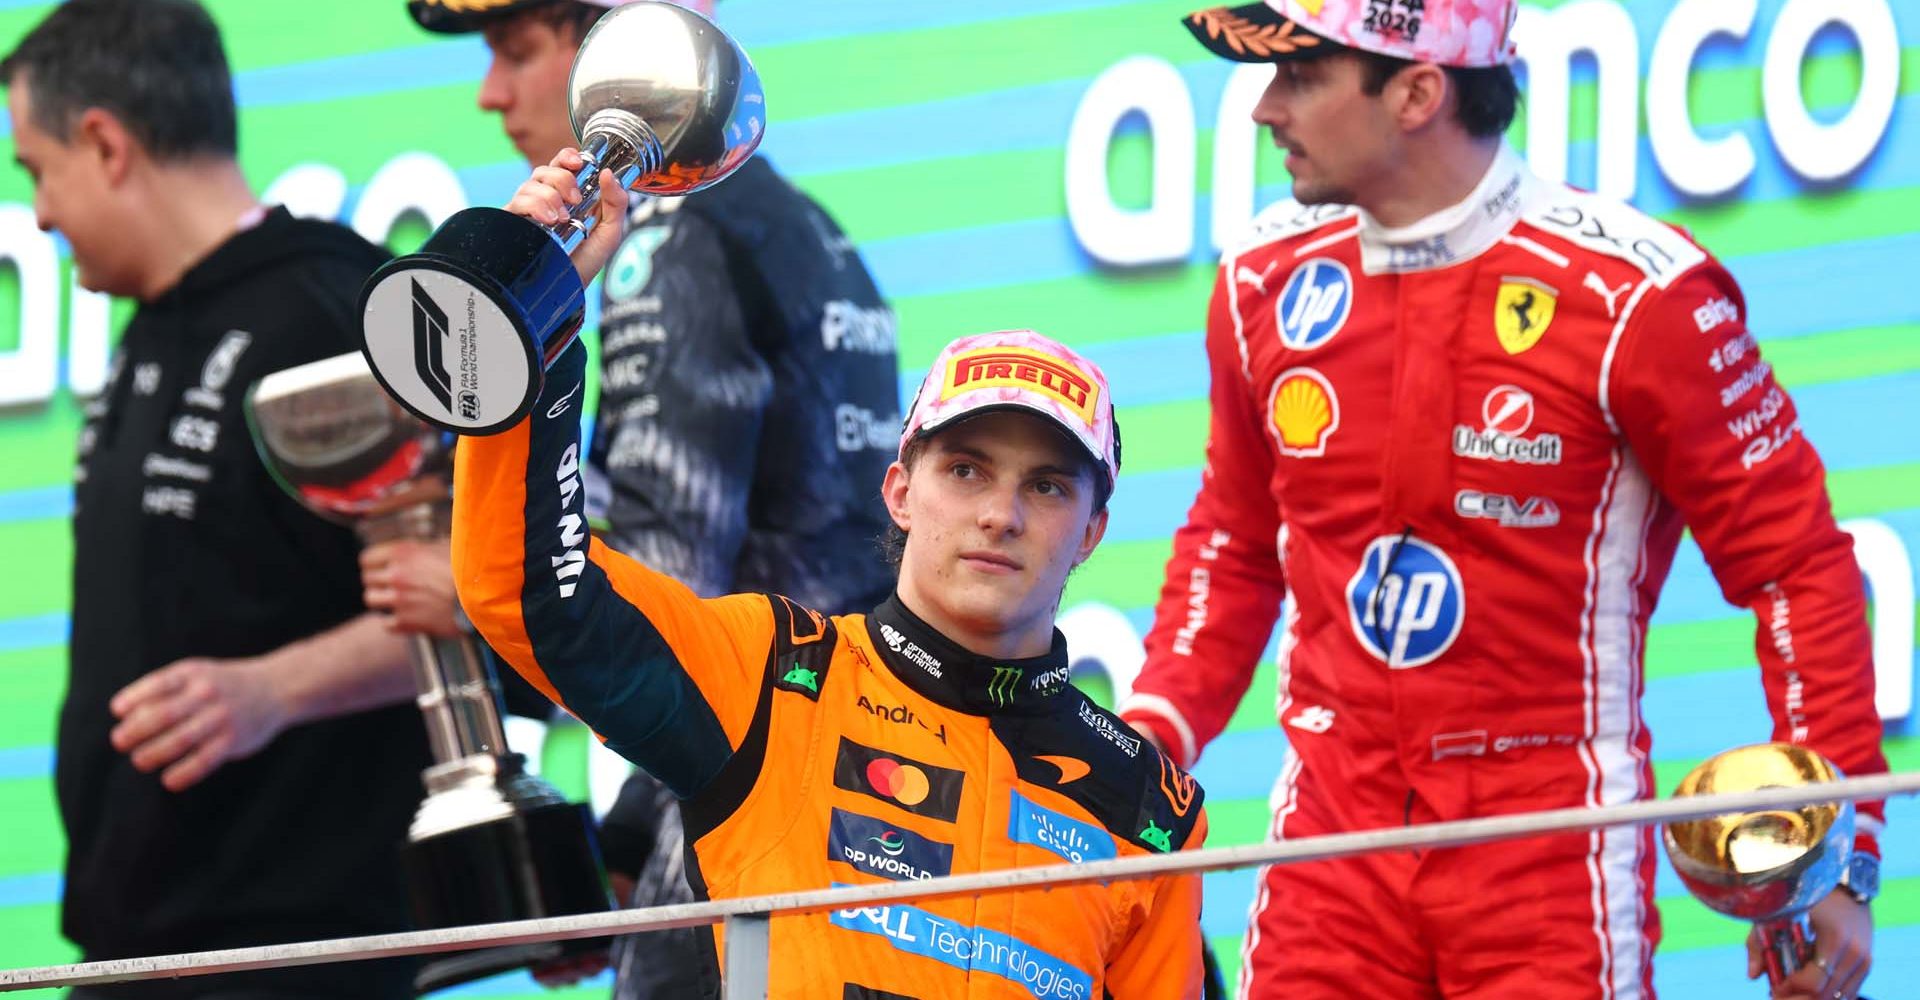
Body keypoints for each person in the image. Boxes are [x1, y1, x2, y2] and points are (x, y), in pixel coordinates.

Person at [1116, 3, 1888, 999]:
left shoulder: (1641, 295)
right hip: (1332, 842)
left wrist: (1840, 847)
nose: (1264, 108)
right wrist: (1148, 742)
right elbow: (1236, 535)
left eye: (1300, 78)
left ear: (1418, 92)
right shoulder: (1262, 282)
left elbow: (1797, 567)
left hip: (1548, 852)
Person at [438, 147, 1209, 998]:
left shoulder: (1149, 806)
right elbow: (531, 591)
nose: (1001, 513)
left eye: (1048, 485)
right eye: (966, 470)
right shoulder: (773, 677)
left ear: (1093, 531)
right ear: (900, 491)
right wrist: (530, 324)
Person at [378, 0, 904, 992]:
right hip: (840, 777)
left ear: (620, 55)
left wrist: (458, 587)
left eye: (518, 50)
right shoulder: (801, 222)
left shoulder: (670, 235)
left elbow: (670, 580)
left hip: (741, 790)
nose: (493, 94)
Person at [2, 1, 429, 996]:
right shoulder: (153, 325)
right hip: (139, 949)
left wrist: (272, 690)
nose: (41, 215)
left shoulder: (331, 309)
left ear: (105, 143)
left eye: (36, 170)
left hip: (288, 951)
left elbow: (478, 606)